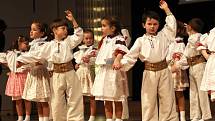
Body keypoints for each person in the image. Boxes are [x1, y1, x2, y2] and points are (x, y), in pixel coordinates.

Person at [115, 1, 179, 121]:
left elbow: (171, 26)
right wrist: (121, 64)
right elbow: (131, 56)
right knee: (148, 101)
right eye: (149, 24)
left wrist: (167, 10)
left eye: (155, 24)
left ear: (159, 25)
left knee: (167, 99)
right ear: (144, 25)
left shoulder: (164, 35)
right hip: (149, 72)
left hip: (164, 70)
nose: (152, 26)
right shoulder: (140, 40)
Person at [17, 10, 84, 121]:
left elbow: (78, 36)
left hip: (70, 72)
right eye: (62, 28)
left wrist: (73, 21)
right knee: (56, 100)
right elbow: (36, 54)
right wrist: (21, 59)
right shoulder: (49, 45)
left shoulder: (68, 42)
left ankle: (75, 119)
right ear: (54, 30)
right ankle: (59, 119)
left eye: (66, 28)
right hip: (57, 73)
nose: (65, 30)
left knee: (74, 97)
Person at [91, 15, 129, 121]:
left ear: (112, 28)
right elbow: (101, 53)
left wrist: (117, 60)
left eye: (104, 26)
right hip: (104, 71)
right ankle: (108, 119)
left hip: (114, 71)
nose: (101, 28)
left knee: (117, 98)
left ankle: (118, 119)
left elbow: (121, 50)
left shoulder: (119, 38)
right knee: (106, 98)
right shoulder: (104, 39)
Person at [17, 21, 51, 121]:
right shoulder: (32, 45)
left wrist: (26, 61)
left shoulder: (43, 44)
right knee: (37, 99)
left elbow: (42, 58)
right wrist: (24, 64)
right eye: (31, 29)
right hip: (33, 72)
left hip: (40, 73)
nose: (31, 32)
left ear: (42, 33)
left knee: (43, 99)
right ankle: (41, 119)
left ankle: (46, 119)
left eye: (34, 30)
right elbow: (31, 59)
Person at [184, 18, 211, 121]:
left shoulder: (199, 36)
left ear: (190, 27)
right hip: (192, 66)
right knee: (193, 92)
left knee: (201, 91)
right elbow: (187, 54)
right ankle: (195, 115)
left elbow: (194, 42)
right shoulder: (191, 37)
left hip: (200, 65)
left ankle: (205, 115)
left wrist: (189, 33)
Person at [0, 36, 31, 121]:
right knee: (17, 99)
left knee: (26, 98)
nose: (27, 45)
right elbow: (2, 57)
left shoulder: (27, 53)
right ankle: (20, 117)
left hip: (24, 75)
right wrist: (11, 67)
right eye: (25, 43)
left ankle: (27, 117)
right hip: (15, 76)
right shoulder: (11, 53)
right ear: (19, 43)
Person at [166, 20, 189, 121]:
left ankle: (182, 117)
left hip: (177, 70)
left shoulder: (179, 42)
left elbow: (181, 55)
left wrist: (175, 64)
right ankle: (174, 116)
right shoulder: (167, 40)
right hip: (167, 68)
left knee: (179, 94)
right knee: (170, 95)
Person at [74, 29, 97, 121]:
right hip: (80, 73)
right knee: (80, 97)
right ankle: (81, 116)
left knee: (92, 96)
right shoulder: (80, 50)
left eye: (90, 38)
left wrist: (90, 60)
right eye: (86, 38)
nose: (88, 40)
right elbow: (78, 61)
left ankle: (92, 116)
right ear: (83, 40)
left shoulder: (94, 50)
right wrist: (77, 64)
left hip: (89, 73)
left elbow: (95, 61)